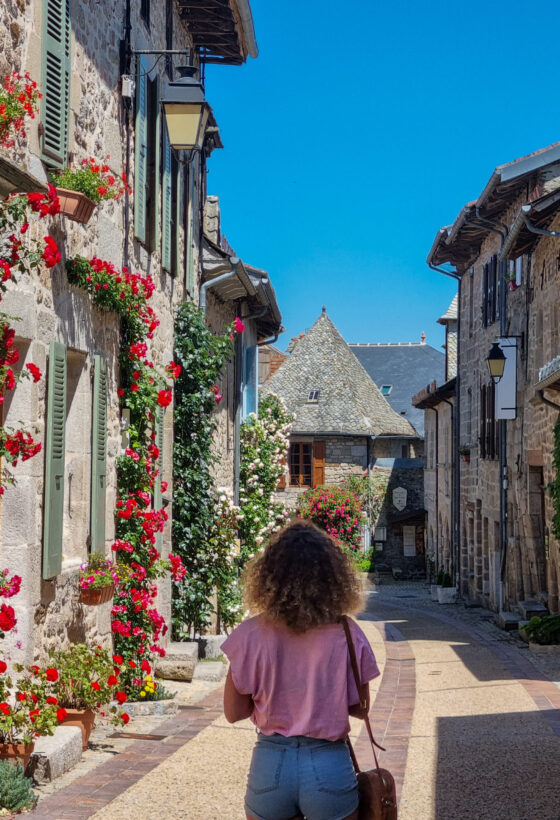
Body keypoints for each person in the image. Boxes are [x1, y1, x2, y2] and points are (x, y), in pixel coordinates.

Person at [222, 519, 380, 820]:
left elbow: (233, 712)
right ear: (334, 577)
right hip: (328, 763)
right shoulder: (348, 633)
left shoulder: (250, 634)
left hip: (270, 765)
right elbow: (361, 708)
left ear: (269, 576)